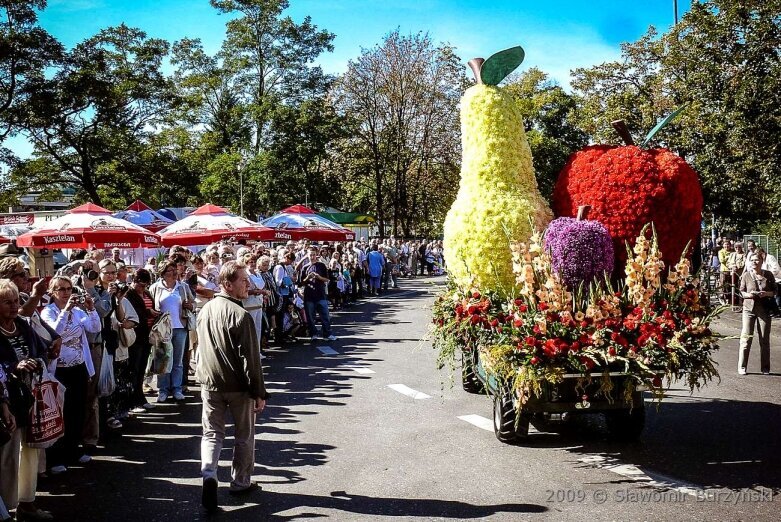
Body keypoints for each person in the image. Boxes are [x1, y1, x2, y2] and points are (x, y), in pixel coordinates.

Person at [196, 261, 268, 512]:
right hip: (237, 385)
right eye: (243, 280)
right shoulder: (241, 315)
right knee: (244, 435)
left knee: (212, 433)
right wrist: (259, 392)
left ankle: (209, 473)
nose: (247, 284)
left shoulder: (205, 310)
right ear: (227, 284)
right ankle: (240, 482)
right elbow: (251, 359)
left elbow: (199, 347)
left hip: (210, 382)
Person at [0, 280, 53, 521]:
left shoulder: (22, 324)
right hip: (5, 402)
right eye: (7, 302)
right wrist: (14, 366)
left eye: (15, 301)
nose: (13, 306)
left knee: (31, 452)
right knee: (8, 457)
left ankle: (27, 503)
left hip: (29, 397)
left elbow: (42, 349)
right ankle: (7, 507)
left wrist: (37, 361)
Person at [41, 276, 101, 473]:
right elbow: (53, 333)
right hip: (58, 369)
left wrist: (91, 308)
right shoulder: (47, 312)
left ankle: (73, 449)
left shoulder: (77, 312)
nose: (66, 293)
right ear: (52, 292)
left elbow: (95, 328)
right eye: (61, 289)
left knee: (77, 410)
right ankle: (56, 457)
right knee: (60, 412)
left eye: (68, 289)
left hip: (78, 366)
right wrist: (65, 312)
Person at [149, 260, 193, 403]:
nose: (174, 274)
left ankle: (177, 388)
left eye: (175, 270)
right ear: (162, 273)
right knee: (163, 360)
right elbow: (150, 306)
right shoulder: (155, 288)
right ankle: (163, 390)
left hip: (180, 326)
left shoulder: (183, 287)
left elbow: (193, 303)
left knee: (178, 361)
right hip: (163, 329)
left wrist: (189, 306)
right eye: (170, 271)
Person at [124, 269, 158, 412]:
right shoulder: (128, 294)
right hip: (135, 336)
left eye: (145, 285)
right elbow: (131, 312)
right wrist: (148, 313)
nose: (142, 287)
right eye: (140, 284)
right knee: (134, 369)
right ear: (134, 281)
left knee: (141, 369)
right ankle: (133, 401)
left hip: (147, 335)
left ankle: (140, 398)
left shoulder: (147, 293)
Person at [737, 252, 777, 375]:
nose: (754, 262)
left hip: (764, 309)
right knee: (746, 338)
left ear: (762, 261)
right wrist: (749, 295)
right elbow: (741, 291)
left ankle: (765, 368)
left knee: (764, 339)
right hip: (749, 308)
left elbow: (775, 291)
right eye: (752, 260)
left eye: (757, 260)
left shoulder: (768, 275)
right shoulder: (746, 275)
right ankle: (742, 366)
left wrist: (766, 294)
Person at [302, 246, 336, 342]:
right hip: (309, 295)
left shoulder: (321, 265)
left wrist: (319, 277)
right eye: (310, 255)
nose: (312, 257)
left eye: (313, 255)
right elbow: (301, 282)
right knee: (310, 317)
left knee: (325, 315)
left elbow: (327, 279)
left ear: (316, 255)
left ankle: (327, 333)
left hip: (320, 294)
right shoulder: (305, 267)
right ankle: (314, 333)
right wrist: (308, 277)